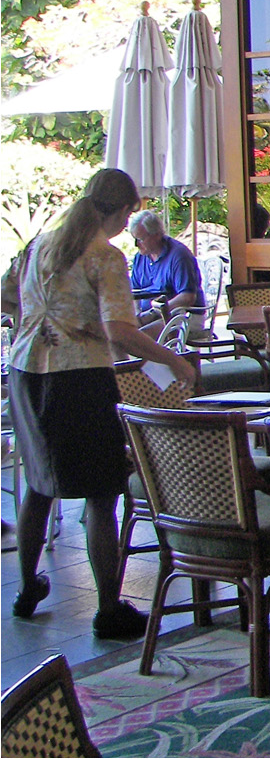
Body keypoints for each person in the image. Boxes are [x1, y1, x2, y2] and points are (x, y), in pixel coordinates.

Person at [6, 168, 199, 637]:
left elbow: (3, 296)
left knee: (38, 482)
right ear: (119, 210)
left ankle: (28, 586)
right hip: (79, 378)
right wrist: (174, 361)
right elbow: (121, 332)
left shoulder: (38, 246)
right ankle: (108, 608)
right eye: (130, 213)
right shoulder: (104, 257)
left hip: (25, 373)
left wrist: (40, 320)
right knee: (101, 491)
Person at [127, 209, 203, 320]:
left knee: (137, 336)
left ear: (157, 235)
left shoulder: (179, 256)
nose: (136, 244)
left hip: (183, 315)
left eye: (140, 239)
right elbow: (134, 292)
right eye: (135, 239)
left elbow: (188, 297)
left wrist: (153, 314)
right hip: (152, 316)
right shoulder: (141, 257)